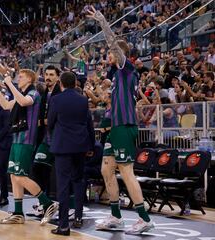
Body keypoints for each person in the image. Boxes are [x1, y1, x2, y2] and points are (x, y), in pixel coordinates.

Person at [87, 7, 154, 234]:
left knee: (126, 171)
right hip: (115, 128)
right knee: (107, 169)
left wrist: (102, 21)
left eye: (111, 52)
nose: (108, 54)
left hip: (125, 127)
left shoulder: (126, 69)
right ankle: (116, 216)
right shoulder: (115, 75)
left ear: (119, 54)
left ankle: (144, 218)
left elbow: (113, 41)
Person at [0, 69, 58, 225]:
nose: (18, 79)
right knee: (14, 176)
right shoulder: (21, 95)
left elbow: (22, 101)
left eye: (20, 77)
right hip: (16, 139)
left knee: (20, 176)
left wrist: (8, 83)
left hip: (26, 140)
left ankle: (48, 203)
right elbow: (7, 105)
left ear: (29, 79)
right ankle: (18, 212)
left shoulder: (33, 94)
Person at [47, 72, 94, 236]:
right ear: (75, 83)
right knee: (79, 181)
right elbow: (89, 123)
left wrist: (53, 137)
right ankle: (79, 217)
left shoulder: (55, 100)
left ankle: (64, 226)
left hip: (62, 147)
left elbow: (50, 122)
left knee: (63, 186)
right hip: (80, 146)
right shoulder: (83, 100)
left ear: (61, 84)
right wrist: (91, 145)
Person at [27, 65, 62, 217]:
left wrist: (47, 121)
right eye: (46, 74)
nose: (48, 77)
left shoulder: (60, 93)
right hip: (44, 139)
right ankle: (44, 203)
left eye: (51, 75)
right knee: (37, 169)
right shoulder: (44, 92)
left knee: (58, 174)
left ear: (57, 77)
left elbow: (61, 115)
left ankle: (65, 207)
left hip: (58, 139)